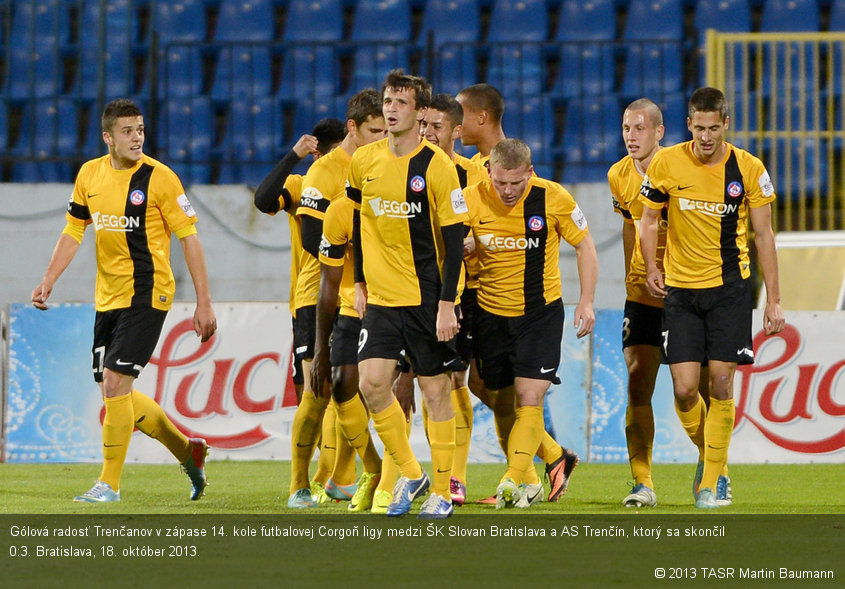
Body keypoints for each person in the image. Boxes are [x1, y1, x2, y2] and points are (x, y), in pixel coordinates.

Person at [31, 98, 216, 503]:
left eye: (141, 130)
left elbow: (190, 240)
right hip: (108, 298)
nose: (137, 138)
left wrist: (204, 301)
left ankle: (108, 486)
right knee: (116, 394)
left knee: (116, 382)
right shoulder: (89, 174)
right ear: (108, 137)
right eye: (128, 131)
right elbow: (73, 230)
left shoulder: (161, 178)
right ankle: (189, 451)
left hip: (149, 293)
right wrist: (49, 278)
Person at [639, 87, 785, 508]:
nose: (705, 137)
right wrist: (652, 267)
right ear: (689, 125)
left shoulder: (749, 168)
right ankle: (712, 460)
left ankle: (710, 486)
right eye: (698, 128)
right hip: (680, 291)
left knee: (720, 382)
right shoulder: (666, 161)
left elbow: (764, 235)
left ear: (726, 124)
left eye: (713, 129)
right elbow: (649, 219)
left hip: (729, 291)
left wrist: (773, 299)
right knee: (685, 390)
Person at [348, 69, 466, 518]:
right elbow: (360, 223)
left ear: (419, 113)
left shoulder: (438, 167)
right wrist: (359, 280)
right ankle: (412, 472)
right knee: (372, 385)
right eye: (388, 101)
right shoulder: (365, 161)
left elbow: (454, 241)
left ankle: (440, 491)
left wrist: (446, 303)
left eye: (401, 102)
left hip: (424, 298)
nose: (392, 109)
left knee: (436, 391)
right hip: (379, 298)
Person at [458, 84, 580, 504]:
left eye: (515, 182)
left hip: (538, 312)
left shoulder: (551, 196)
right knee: (488, 389)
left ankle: (516, 479)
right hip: (486, 307)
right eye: (500, 181)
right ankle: (552, 455)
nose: (507, 190)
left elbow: (585, 244)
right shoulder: (469, 190)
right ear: (489, 171)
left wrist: (586, 300)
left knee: (529, 395)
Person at [286, 90, 387, 508]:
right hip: (320, 295)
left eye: (386, 130)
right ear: (352, 128)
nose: (382, 137)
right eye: (374, 131)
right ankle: (298, 485)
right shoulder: (325, 172)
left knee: (359, 389)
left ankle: (350, 476)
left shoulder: (383, 164)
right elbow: (312, 238)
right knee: (318, 389)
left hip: (371, 296)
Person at [419, 93, 487, 505]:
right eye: (423, 125)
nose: (427, 133)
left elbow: (484, 229)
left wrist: (472, 241)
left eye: (436, 126)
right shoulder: (404, 168)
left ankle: (454, 477)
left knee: (454, 380)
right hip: (409, 294)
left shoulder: (470, 175)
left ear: (456, 132)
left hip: (459, 293)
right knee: (425, 383)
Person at [608, 98, 666, 507]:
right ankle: (642, 482)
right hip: (642, 294)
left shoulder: (678, 169)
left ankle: (713, 465)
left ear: (659, 132)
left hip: (683, 291)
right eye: (627, 127)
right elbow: (631, 227)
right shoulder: (618, 175)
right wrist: (635, 276)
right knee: (636, 380)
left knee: (690, 390)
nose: (631, 135)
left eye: (640, 128)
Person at [456, 83, 506, 165]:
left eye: (459, 115)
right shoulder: (475, 161)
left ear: (482, 118)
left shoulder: (512, 166)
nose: (455, 123)